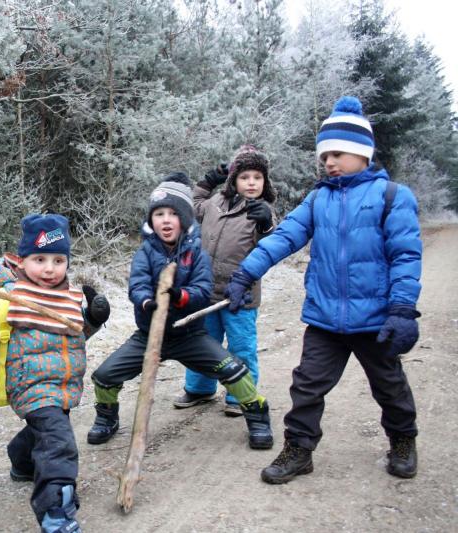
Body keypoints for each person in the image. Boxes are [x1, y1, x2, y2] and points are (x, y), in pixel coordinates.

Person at [225, 96, 422, 484]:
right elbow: (284, 237)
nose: (329, 162)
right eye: (325, 155)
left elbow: (405, 257)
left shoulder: (392, 197)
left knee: (389, 385)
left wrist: (401, 309)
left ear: (361, 153)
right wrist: (245, 274)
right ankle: (299, 449)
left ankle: (403, 440)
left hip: (376, 319)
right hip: (325, 317)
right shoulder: (319, 198)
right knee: (307, 386)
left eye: (337, 153)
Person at [87, 172, 273, 450]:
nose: (165, 219)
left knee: (234, 370)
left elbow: (202, 291)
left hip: (189, 336)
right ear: (151, 220)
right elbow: (136, 286)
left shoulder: (197, 253)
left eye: (172, 213)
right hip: (149, 335)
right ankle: (106, 418)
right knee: (103, 376)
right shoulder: (145, 253)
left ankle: (257, 415)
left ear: (184, 218)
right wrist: (147, 301)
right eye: (159, 213)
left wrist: (179, 296)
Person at [0, 213, 110, 533]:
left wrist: (93, 318)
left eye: (58, 260)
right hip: (31, 383)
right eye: (39, 259)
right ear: (22, 261)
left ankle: (21, 460)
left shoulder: (68, 297)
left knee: (48, 432)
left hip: (64, 383)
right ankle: (56, 512)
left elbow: (75, 333)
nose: (49, 268)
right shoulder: (11, 297)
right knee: (59, 442)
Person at [175, 146, 277, 416]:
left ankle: (239, 396)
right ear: (233, 180)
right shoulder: (215, 203)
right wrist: (208, 181)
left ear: (265, 182)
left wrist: (267, 227)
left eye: (258, 177)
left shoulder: (261, 212)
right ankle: (199, 389)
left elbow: (272, 249)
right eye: (245, 177)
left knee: (241, 346)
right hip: (206, 292)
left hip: (239, 297)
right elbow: (190, 206)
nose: (252, 182)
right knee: (203, 343)